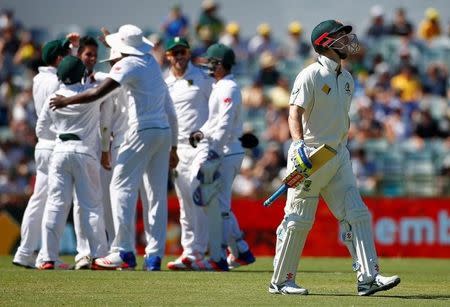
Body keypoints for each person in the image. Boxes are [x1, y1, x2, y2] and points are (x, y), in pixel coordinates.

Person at [269, 20, 400, 296]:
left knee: (357, 213)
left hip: (337, 155)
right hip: (311, 155)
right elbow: (294, 112)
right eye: (342, 36)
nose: (348, 40)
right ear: (327, 42)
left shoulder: (349, 79)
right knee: (298, 221)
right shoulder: (310, 75)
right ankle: (281, 281)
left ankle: (368, 277)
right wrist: (298, 146)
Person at [49, 24, 178, 271]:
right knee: (156, 196)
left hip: (142, 130)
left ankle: (124, 251)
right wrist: (173, 146)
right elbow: (168, 107)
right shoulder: (150, 61)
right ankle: (153, 257)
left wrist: (66, 100)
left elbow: (97, 93)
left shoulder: (126, 65)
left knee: (120, 186)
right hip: (163, 132)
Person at [186, 43, 255, 271]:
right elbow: (214, 122)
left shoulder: (229, 88)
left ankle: (218, 256)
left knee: (218, 205)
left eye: (210, 62)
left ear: (220, 64)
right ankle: (240, 250)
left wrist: (213, 150)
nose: (207, 65)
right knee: (218, 204)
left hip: (225, 151)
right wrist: (201, 133)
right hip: (222, 148)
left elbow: (224, 125)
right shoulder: (221, 86)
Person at [36, 56, 108, 269]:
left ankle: (48, 257)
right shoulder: (90, 95)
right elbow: (108, 87)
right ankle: (98, 257)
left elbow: (41, 130)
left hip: (59, 152)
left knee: (56, 205)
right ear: (82, 74)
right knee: (92, 206)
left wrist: (60, 132)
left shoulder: (53, 98)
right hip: (84, 152)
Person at [12, 39, 71, 269]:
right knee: (57, 201)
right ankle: (48, 256)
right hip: (57, 144)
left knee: (39, 200)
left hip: (42, 145)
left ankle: (25, 251)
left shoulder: (38, 78)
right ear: (58, 59)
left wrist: (70, 48)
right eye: (66, 55)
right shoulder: (58, 80)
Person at [163, 37, 212, 270]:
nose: (179, 56)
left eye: (182, 52)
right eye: (174, 53)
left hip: (200, 145)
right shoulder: (164, 83)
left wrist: (208, 136)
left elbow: (216, 110)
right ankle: (190, 251)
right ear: (168, 56)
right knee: (184, 202)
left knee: (196, 195)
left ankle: (200, 251)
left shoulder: (203, 78)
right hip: (177, 147)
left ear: (188, 53)